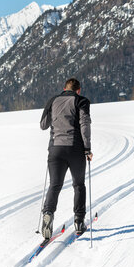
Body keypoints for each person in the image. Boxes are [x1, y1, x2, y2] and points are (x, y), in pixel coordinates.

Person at [40, 78, 93, 239]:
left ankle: (48, 213)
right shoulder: (81, 101)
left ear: (64, 89)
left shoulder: (52, 100)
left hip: (55, 150)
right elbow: (84, 124)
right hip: (75, 149)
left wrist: (55, 117)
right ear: (79, 90)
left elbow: (43, 125)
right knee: (79, 185)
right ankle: (79, 221)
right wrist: (87, 148)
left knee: (54, 185)